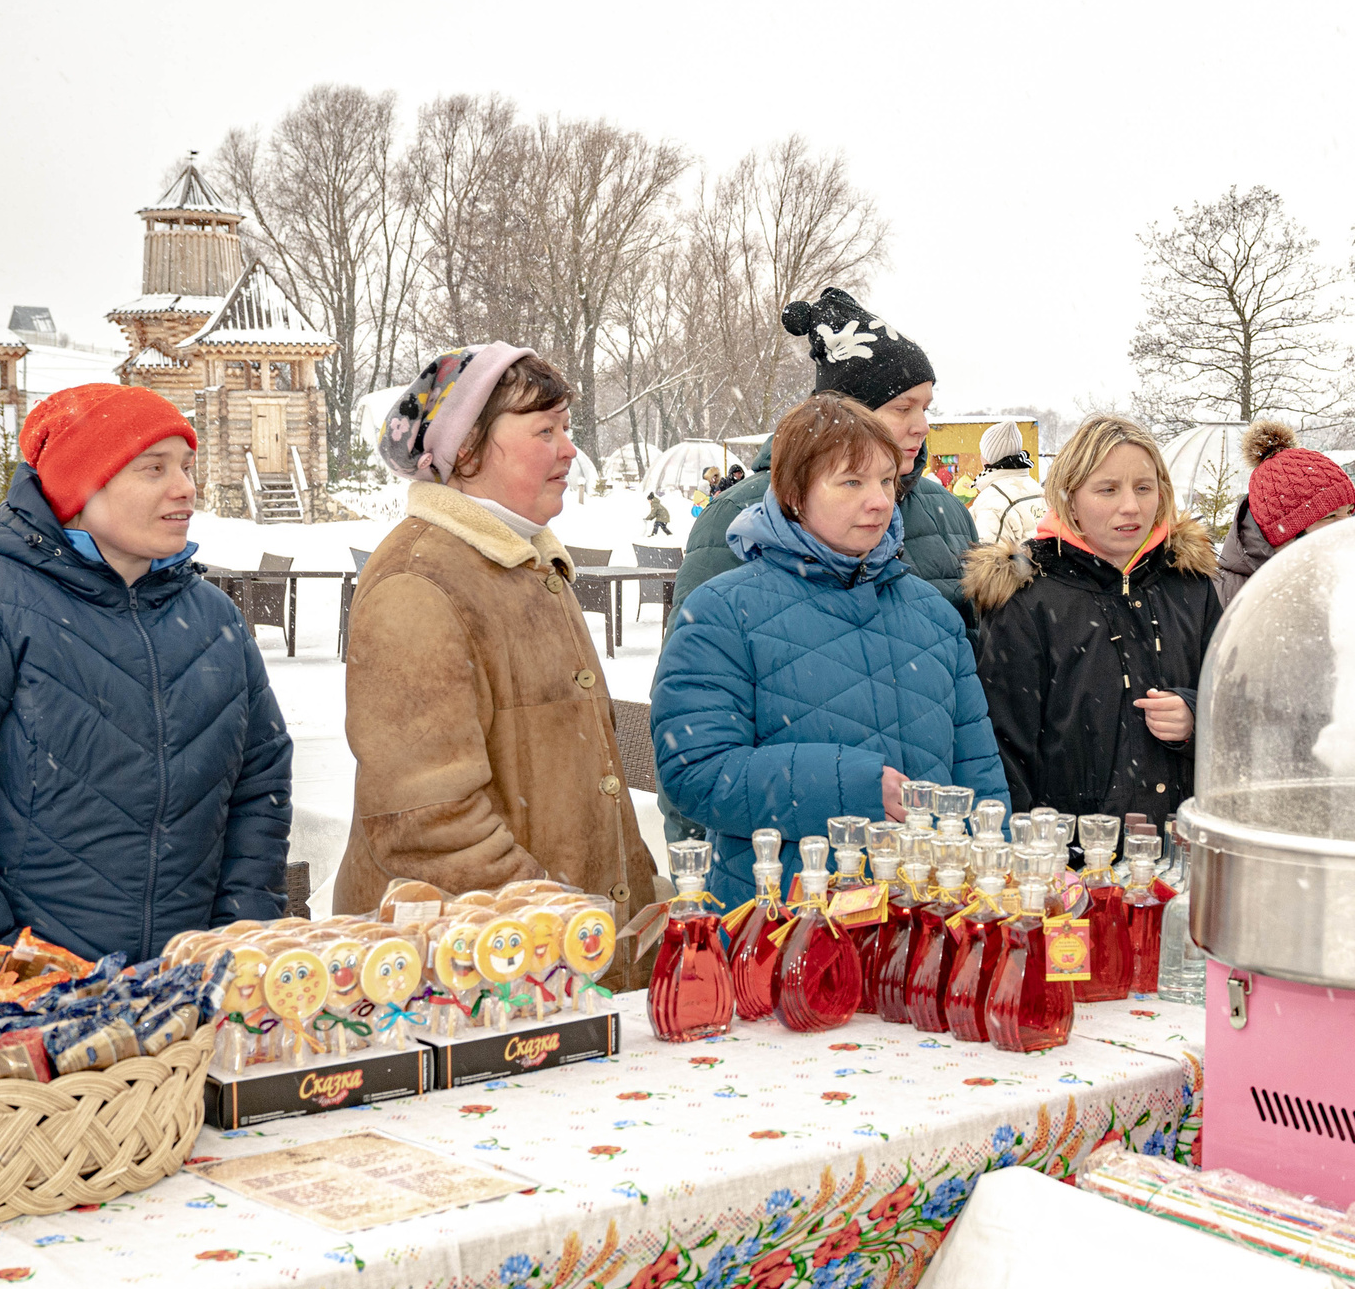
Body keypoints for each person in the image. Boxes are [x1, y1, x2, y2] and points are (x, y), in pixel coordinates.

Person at [0, 383, 292, 977]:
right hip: (17, 1016)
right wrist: (0, 972)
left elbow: (258, 788)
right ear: (79, 487)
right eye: (152, 468)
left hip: (184, 997)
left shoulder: (212, 618)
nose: (185, 488)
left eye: (186, 467)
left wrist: (234, 939)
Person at [333, 345, 658, 976]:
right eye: (545, 431)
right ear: (468, 451)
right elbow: (427, 823)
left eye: (567, 428)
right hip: (469, 981)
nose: (569, 450)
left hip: (554, 969)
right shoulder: (419, 584)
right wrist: (559, 926)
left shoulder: (524, 561)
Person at [652, 392, 1006, 904]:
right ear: (795, 493)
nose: (880, 500)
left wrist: (992, 882)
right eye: (852, 482)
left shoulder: (932, 615)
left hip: (926, 919)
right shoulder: (723, 610)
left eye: (887, 480)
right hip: (784, 923)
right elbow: (696, 773)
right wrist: (852, 787)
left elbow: (980, 782)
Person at [964, 413, 1220, 830]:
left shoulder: (1191, 586)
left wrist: (1197, 716)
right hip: (1074, 859)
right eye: (1107, 489)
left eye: (1143, 487)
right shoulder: (1028, 597)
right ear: (1070, 498)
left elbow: (1239, 708)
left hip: (1181, 849)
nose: (1130, 506)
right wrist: (1035, 856)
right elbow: (1004, 749)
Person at [673, 288, 978, 634]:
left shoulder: (950, 513)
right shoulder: (739, 516)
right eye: (903, 408)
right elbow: (700, 663)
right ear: (846, 413)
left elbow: (977, 655)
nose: (922, 427)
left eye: (926, 408)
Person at [1214, 419, 1355, 604]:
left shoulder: (1329, 580)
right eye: (1330, 516)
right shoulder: (1226, 598)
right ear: (1282, 536)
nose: (1348, 526)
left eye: (1349, 512)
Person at [968, 422, 1046, 544]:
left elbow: (990, 558)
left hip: (1020, 563)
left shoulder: (992, 501)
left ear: (985, 458)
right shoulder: (1040, 491)